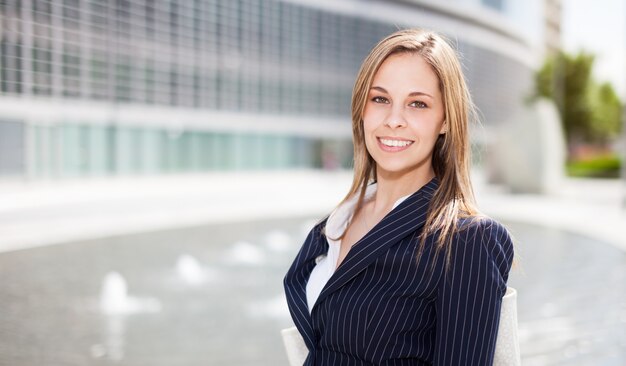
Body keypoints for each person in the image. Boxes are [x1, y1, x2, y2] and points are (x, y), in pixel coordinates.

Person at [283, 28, 515, 365]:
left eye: (417, 104)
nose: (394, 120)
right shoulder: (336, 223)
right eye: (380, 99)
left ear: (445, 120)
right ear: (361, 108)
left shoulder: (467, 240)